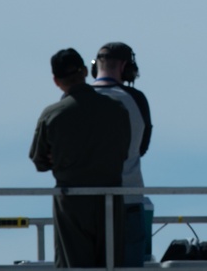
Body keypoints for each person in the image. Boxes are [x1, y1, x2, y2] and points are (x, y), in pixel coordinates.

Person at [30, 48, 131, 268]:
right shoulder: (117, 109)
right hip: (111, 199)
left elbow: (39, 161)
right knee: (111, 264)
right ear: (85, 71)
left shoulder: (53, 114)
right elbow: (124, 152)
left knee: (73, 264)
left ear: (56, 81)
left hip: (71, 202)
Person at [91, 42, 150, 266]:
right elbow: (142, 148)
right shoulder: (136, 99)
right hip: (128, 200)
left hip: (84, 205)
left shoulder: (70, 101)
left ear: (95, 66)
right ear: (126, 67)